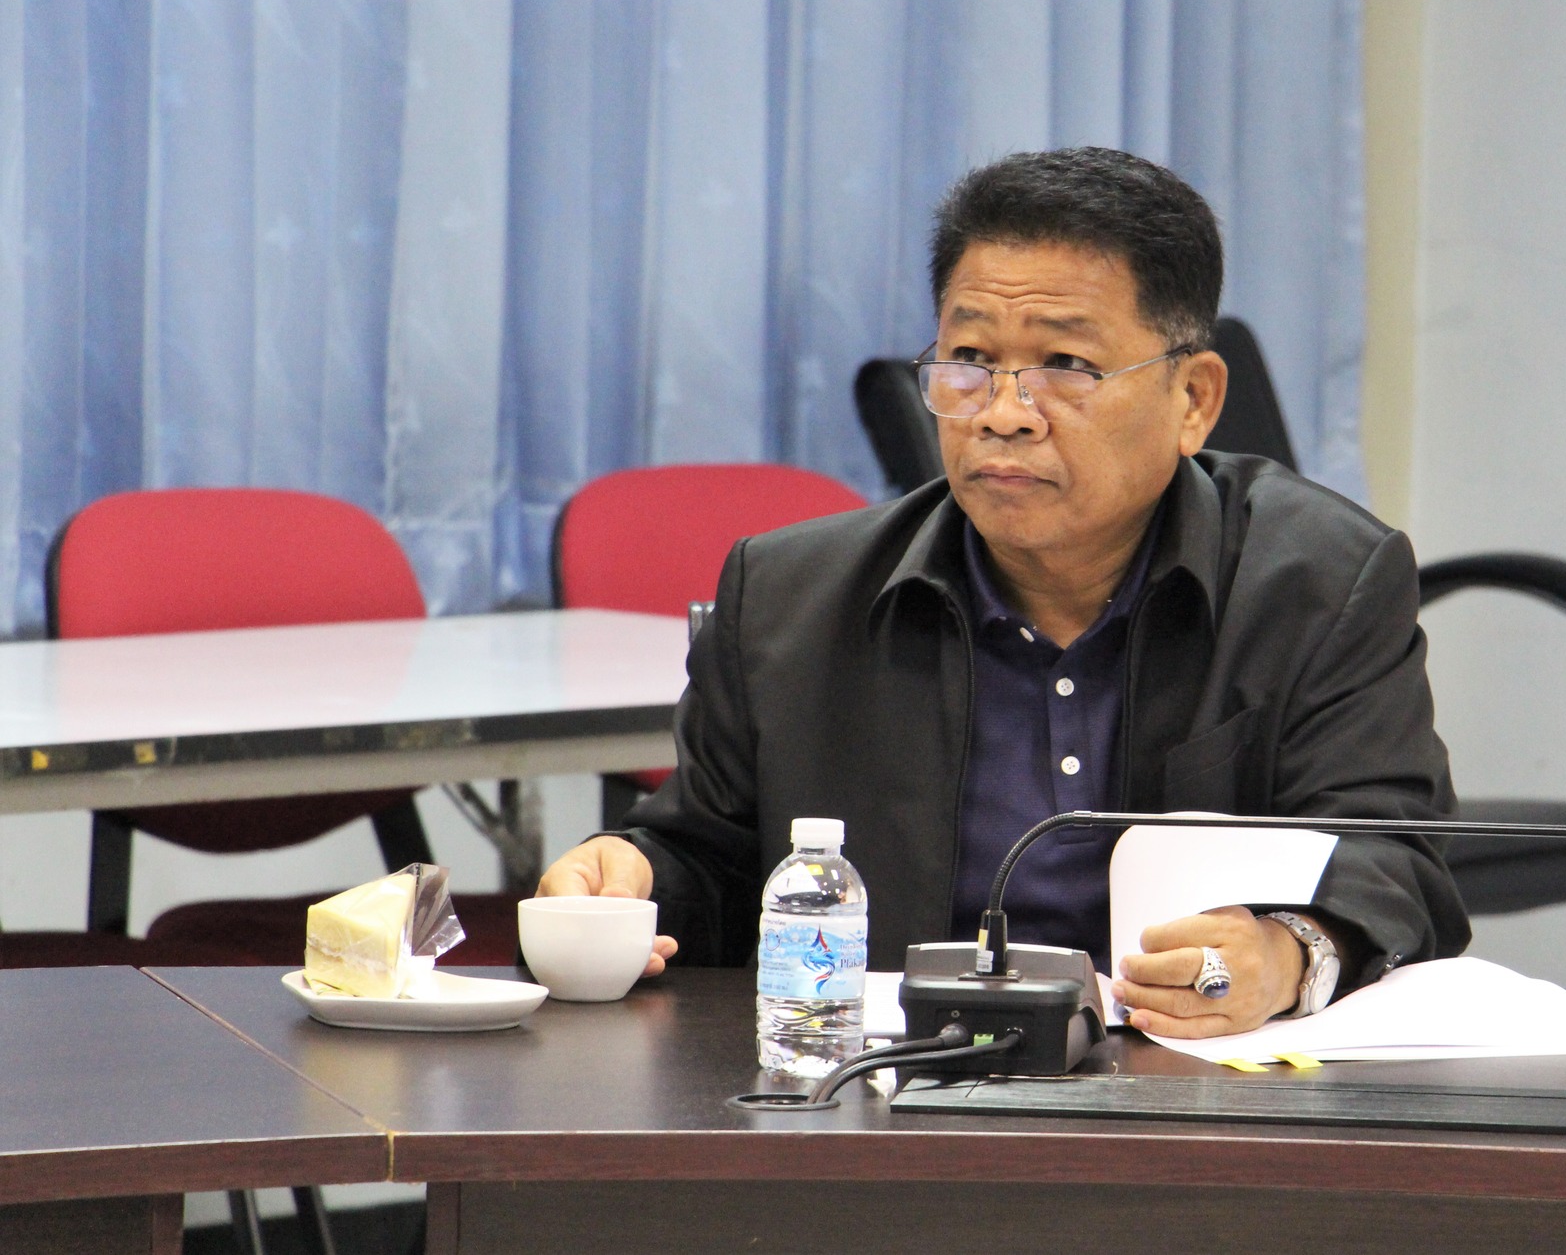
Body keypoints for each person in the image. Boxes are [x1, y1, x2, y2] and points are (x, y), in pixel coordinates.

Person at [538, 146, 1469, 1039]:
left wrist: (1289, 951)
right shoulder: (789, 600)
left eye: (1067, 367)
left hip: (1189, 1093)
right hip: (890, 1091)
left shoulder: (1318, 583)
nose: (1004, 412)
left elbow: (1397, 863)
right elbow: (713, 865)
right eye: (970, 360)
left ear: (1193, 398)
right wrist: (633, 878)